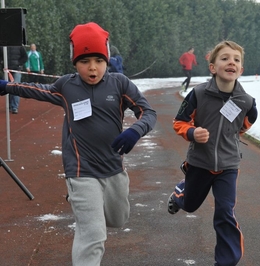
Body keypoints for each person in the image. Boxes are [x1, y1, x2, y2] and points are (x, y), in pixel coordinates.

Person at [0, 22, 157, 266]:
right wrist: (7, 86)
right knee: (93, 235)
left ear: (106, 60)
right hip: (81, 171)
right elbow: (37, 89)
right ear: (75, 62)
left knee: (118, 219)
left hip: (114, 168)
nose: (92, 67)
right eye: (84, 61)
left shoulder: (120, 84)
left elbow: (148, 112)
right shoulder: (67, 86)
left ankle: (89, 209)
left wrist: (136, 131)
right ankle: (84, 206)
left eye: (98, 60)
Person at [167, 41, 258, 266]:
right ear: (212, 67)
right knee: (190, 205)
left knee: (225, 211)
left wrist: (229, 137)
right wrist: (192, 132)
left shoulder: (247, 102)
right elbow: (179, 121)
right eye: (225, 58)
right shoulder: (197, 94)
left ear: (241, 70)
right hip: (200, 162)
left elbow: (246, 124)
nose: (231, 62)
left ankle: (225, 261)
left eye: (236, 60)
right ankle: (181, 192)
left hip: (228, 165)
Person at [0, 45, 28, 114]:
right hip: (6, 70)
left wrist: (18, 64)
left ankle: (14, 107)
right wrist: (2, 64)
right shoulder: (3, 46)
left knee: (16, 87)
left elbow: (25, 57)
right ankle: (10, 106)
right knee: (8, 87)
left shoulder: (19, 46)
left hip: (16, 70)